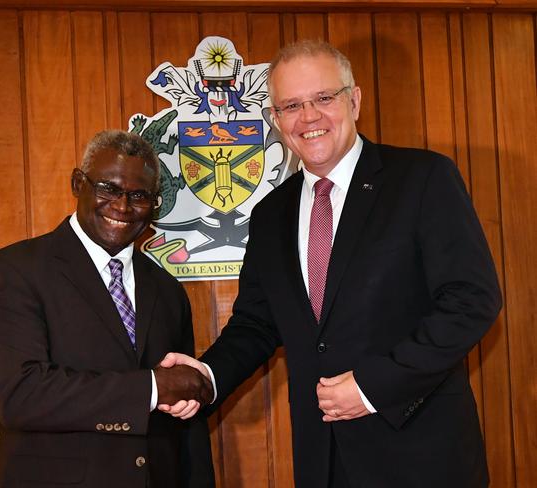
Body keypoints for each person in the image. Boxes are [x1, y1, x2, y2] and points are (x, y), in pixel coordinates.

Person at [159, 40, 502, 487]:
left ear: (354, 100)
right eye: (291, 105)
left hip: (421, 456)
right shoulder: (271, 214)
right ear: (277, 119)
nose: (309, 117)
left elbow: (471, 301)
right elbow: (256, 324)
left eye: (324, 98)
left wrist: (371, 386)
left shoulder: (422, 179)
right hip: (323, 460)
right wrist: (205, 375)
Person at [0, 130, 215, 488]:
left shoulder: (167, 291)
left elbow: (185, 428)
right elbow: (20, 394)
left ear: (155, 204)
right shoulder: (13, 271)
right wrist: (151, 388)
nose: (122, 207)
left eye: (139, 196)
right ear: (78, 183)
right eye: (108, 188)